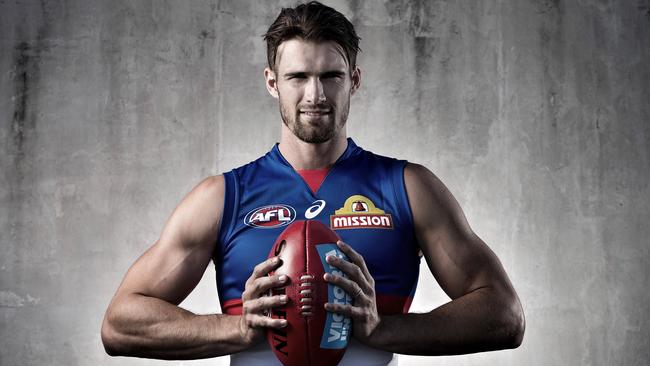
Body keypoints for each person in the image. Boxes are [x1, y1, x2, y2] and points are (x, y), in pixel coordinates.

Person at [101, 2, 525, 365]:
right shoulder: (223, 197)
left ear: (354, 81)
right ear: (272, 83)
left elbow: (505, 315)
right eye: (298, 77)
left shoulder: (408, 188)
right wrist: (239, 328)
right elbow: (120, 324)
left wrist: (383, 329)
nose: (315, 95)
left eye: (331, 76)